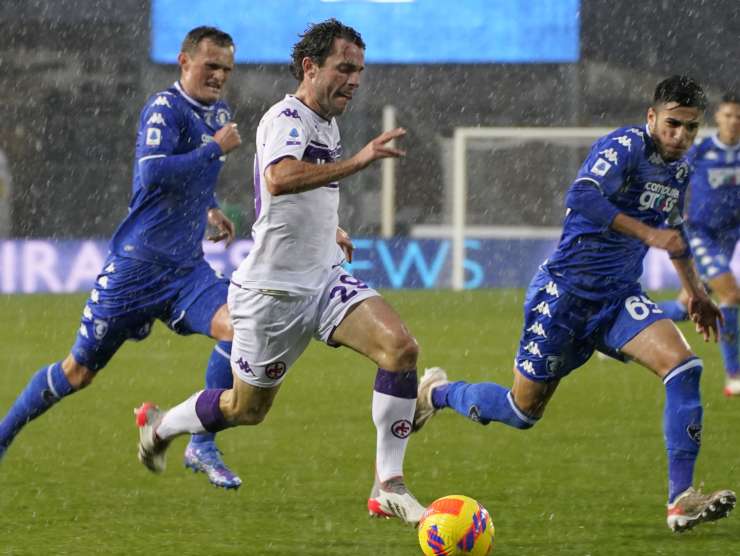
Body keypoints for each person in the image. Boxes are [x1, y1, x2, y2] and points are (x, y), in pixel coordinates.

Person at [134, 18, 426, 525]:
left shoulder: (327, 122)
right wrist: (359, 161)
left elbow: (299, 195)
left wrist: (328, 228)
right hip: (273, 295)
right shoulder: (285, 118)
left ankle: (388, 484)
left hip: (324, 280)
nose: (354, 80)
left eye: (359, 70)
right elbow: (280, 177)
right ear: (310, 67)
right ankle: (160, 427)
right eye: (344, 68)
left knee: (401, 349)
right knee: (245, 410)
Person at [414, 76, 736, 533]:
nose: (681, 136)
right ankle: (436, 394)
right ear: (651, 118)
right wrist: (647, 235)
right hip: (564, 296)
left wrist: (697, 294)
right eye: (673, 124)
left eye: (690, 127)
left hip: (619, 298)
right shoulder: (624, 146)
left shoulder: (679, 170)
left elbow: (674, 231)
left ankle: (680, 500)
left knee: (685, 368)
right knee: (523, 411)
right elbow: (580, 195)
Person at [0, 26, 248, 489]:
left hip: (185, 271)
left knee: (243, 330)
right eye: (210, 65)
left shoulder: (220, 113)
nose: (219, 76)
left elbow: (196, 173)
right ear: (184, 61)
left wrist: (210, 206)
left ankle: (202, 444)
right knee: (77, 373)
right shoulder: (165, 108)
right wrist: (213, 148)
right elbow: (154, 173)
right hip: (137, 268)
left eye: (226, 69)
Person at [658, 93, 740, 396]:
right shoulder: (702, 151)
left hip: (730, 237)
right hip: (701, 233)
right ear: (718, 117)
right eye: (728, 115)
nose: (733, 122)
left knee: (687, 305)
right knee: (731, 294)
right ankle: (735, 374)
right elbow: (672, 177)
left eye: (739, 117)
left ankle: (619, 324)